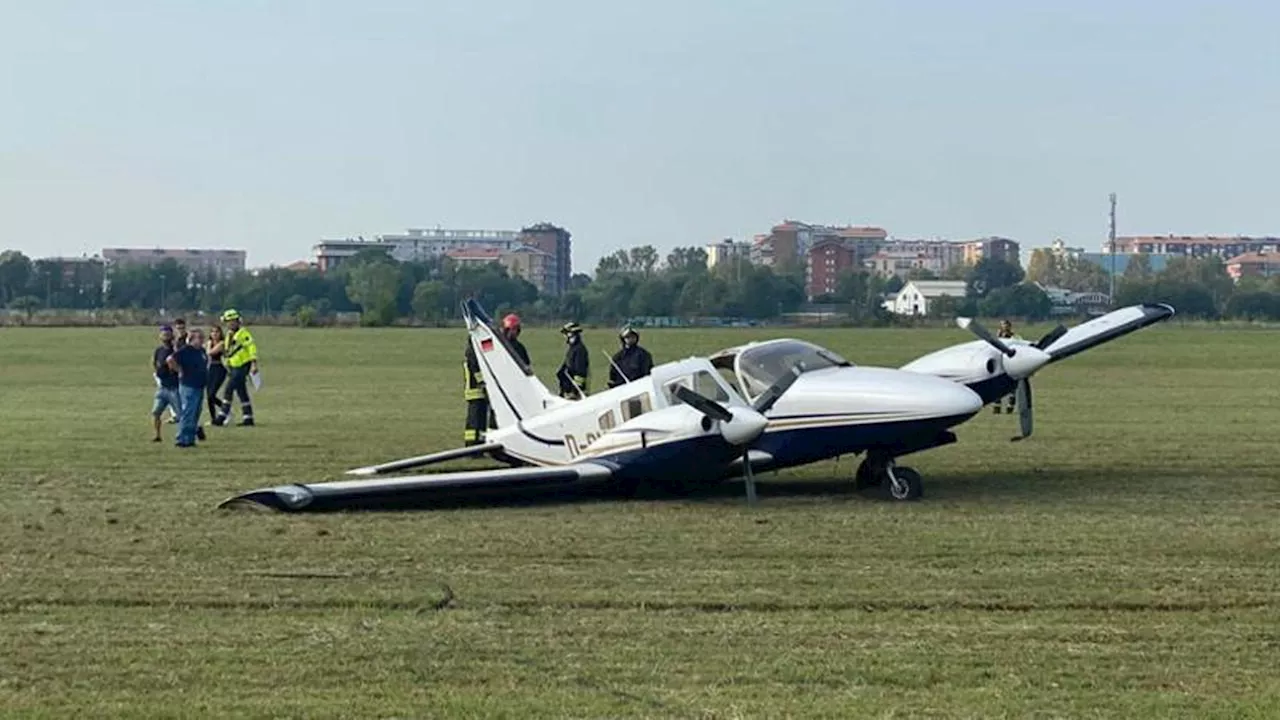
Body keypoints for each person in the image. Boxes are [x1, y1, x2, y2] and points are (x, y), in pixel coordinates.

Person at [212, 309, 259, 427]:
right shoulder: (229, 334)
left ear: (237, 321)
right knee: (241, 391)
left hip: (242, 365)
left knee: (228, 389)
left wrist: (254, 364)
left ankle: (222, 416)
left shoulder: (243, 333)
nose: (229, 324)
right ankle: (248, 418)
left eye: (231, 321)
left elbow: (251, 347)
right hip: (233, 366)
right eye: (227, 322)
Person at [168, 328, 209, 448]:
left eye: (202, 337)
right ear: (192, 339)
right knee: (188, 412)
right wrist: (179, 370)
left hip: (199, 385)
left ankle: (190, 438)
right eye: (199, 338)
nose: (202, 340)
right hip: (189, 385)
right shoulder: (186, 350)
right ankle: (182, 438)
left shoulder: (201, 351)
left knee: (196, 413)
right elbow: (170, 359)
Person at [150, 325, 181, 443]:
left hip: (174, 387)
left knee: (180, 415)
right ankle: (157, 435)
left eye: (167, 334)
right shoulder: (159, 350)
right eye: (163, 334)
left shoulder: (176, 351)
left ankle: (192, 431)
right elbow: (154, 362)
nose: (165, 336)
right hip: (162, 387)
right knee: (155, 412)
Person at [463, 337, 490, 446]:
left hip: (479, 391)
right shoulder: (472, 352)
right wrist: (483, 383)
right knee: (475, 421)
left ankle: (479, 443)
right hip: (475, 391)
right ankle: (471, 445)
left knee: (481, 421)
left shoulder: (475, 350)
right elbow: (476, 369)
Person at [556, 322, 589, 399]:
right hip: (568, 391)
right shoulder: (572, 350)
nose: (565, 337)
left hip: (575, 394)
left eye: (566, 334)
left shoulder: (580, 350)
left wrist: (575, 391)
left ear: (571, 334)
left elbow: (580, 373)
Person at [206, 324, 229, 420]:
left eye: (217, 332)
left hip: (219, 368)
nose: (214, 334)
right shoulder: (209, 342)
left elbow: (209, 353)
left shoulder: (222, 343)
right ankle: (213, 419)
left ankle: (226, 411)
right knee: (209, 396)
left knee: (212, 394)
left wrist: (208, 345)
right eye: (212, 332)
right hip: (210, 369)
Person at [996, 319, 1017, 414]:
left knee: (1012, 387)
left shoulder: (1014, 336)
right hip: (1000, 363)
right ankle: (997, 407)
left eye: (1005, 324)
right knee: (997, 386)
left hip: (1010, 363)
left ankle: (1010, 407)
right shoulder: (997, 336)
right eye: (1002, 325)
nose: (1004, 326)